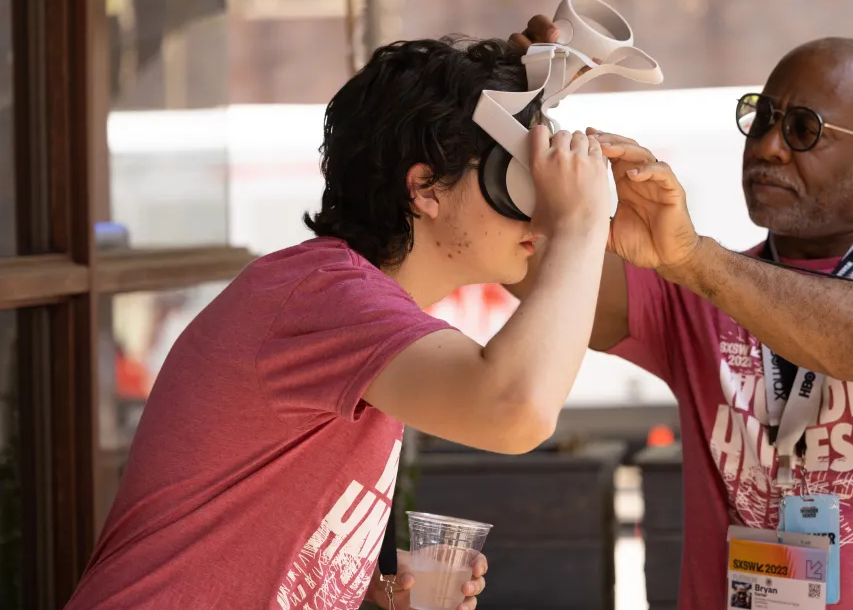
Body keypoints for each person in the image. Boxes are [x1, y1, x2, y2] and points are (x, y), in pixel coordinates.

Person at [64, 37, 614, 610]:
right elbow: (514, 411)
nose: (537, 208)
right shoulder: (324, 296)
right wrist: (580, 223)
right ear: (424, 187)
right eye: (514, 176)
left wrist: (369, 585)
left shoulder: (350, 305)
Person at [509, 20, 853, 609]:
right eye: (762, 118)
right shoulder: (693, 287)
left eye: (804, 130)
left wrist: (697, 260)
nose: (769, 146)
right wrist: (504, 113)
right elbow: (526, 261)